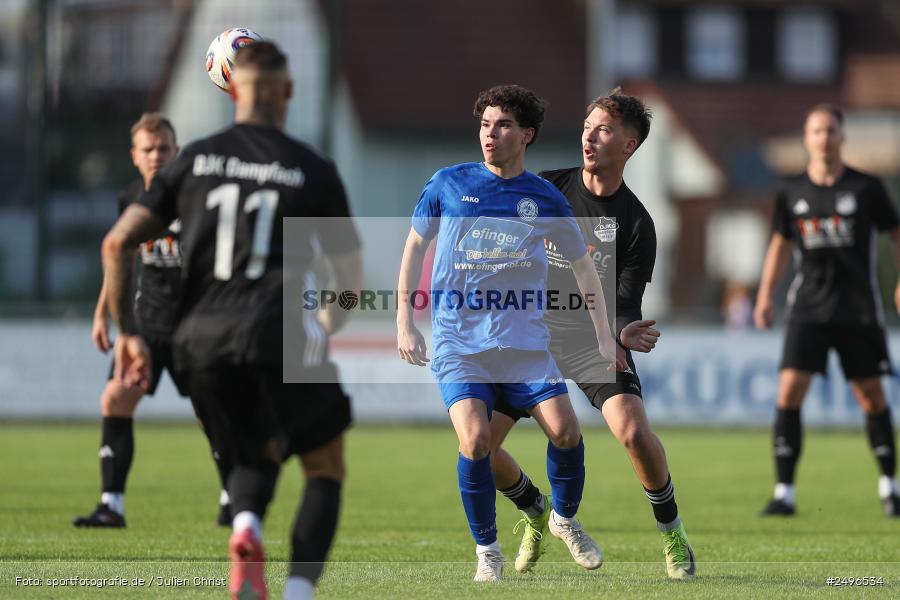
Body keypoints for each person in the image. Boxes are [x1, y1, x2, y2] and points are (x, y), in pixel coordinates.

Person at [101, 41, 362, 600]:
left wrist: (129, 336)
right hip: (280, 333)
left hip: (200, 345)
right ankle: (297, 590)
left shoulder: (192, 160)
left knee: (253, 451)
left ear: (231, 88)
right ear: (288, 92)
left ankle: (245, 529)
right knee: (325, 465)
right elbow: (349, 281)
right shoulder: (311, 169)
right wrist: (325, 327)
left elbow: (118, 241)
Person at [397, 84, 626, 582]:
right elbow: (414, 248)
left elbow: (586, 270)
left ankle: (561, 519)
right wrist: (405, 321)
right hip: (461, 343)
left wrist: (604, 337)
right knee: (477, 442)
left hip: (525, 344)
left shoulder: (542, 197)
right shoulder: (449, 184)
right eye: (484, 125)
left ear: (527, 135)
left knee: (566, 431)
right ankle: (488, 553)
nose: (490, 134)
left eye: (502, 125)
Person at [489, 88, 696, 580]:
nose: (589, 136)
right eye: (587, 126)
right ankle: (535, 508)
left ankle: (672, 533)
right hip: (530, 336)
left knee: (634, 432)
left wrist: (624, 335)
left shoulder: (637, 223)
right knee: (478, 445)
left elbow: (625, 306)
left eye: (603, 129)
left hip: (592, 340)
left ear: (628, 144)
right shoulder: (545, 189)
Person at [74, 113, 233, 529]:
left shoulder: (197, 196)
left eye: (164, 148)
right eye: (148, 149)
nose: (157, 156)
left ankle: (233, 497)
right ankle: (111, 505)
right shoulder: (131, 199)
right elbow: (119, 259)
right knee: (115, 398)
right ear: (134, 156)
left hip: (195, 324)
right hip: (146, 324)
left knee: (211, 413)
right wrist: (101, 313)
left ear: (176, 151)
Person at [755, 103, 900, 518]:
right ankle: (784, 493)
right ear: (807, 138)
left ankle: (890, 487)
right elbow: (780, 244)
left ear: (842, 136)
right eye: (816, 131)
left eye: (831, 130)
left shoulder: (866, 188)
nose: (824, 138)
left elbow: (895, 231)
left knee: (871, 396)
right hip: (808, 309)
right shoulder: (791, 190)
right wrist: (765, 295)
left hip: (857, 309)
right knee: (788, 392)